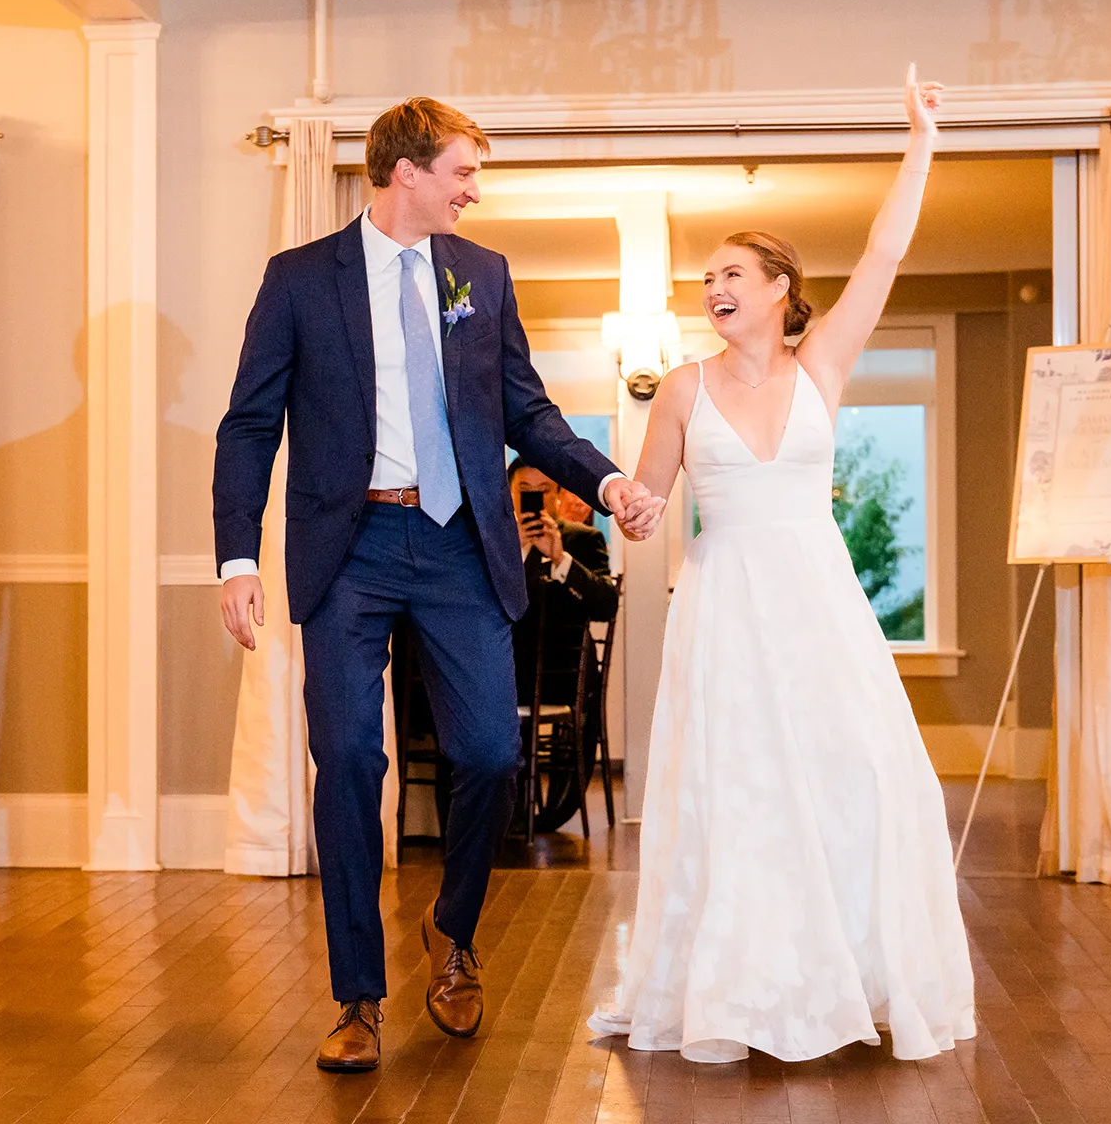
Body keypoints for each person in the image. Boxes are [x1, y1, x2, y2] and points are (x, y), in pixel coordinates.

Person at [214, 96, 665, 1073]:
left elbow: (528, 412)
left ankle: (452, 932)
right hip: (350, 545)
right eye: (461, 170)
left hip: (461, 542)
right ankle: (357, 996)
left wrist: (609, 477)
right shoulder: (299, 281)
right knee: (347, 759)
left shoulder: (481, 276)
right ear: (405, 171)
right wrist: (237, 558)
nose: (473, 188)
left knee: (491, 754)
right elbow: (249, 425)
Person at [588, 67, 974, 1064]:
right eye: (705, 277)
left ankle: (844, 969)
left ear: (779, 293)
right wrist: (629, 508)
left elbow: (887, 250)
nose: (712, 288)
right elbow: (647, 507)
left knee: (853, 776)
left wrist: (920, 142)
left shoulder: (823, 367)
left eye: (731, 275)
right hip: (722, 605)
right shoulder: (680, 386)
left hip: (818, 602)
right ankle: (744, 985)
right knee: (738, 788)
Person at [510, 459, 621, 832]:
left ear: (557, 497)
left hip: (565, 678)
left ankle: (554, 811)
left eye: (544, 492)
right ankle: (500, 813)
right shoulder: (495, 545)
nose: (535, 500)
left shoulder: (584, 540)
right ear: (508, 497)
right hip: (505, 675)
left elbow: (606, 605)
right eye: (525, 493)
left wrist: (561, 560)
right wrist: (519, 553)